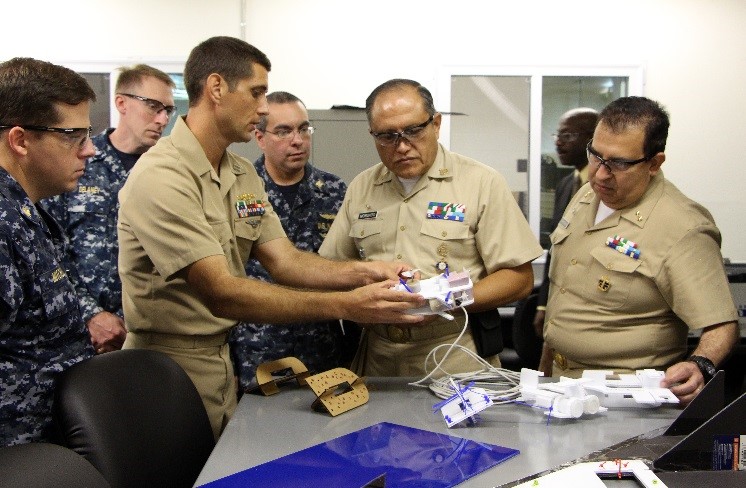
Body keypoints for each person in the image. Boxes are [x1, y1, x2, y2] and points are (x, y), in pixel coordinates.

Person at [117, 37, 424, 439]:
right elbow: (221, 292)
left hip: (220, 359)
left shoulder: (240, 173)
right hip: (169, 366)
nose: (263, 107)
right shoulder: (162, 175)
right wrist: (348, 305)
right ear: (216, 88)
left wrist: (369, 273)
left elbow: (286, 261)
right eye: (256, 92)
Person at [319, 79, 543, 377]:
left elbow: (518, 279)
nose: (402, 146)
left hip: (454, 355)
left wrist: (442, 300)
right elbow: (332, 268)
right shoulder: (363, 186)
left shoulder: (480, 183)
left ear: (436, 124)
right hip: (378, 359)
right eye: (387, 136)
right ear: (372, 135)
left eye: (413, 131)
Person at [539, 96, 739, 405]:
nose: (600, 174)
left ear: (654, 163)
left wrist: (701, 364)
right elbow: (566, 295)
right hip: (560, 385)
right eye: (596, 155)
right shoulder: (587, 195)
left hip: (625, 399)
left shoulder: (683, 227)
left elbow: (721, 323)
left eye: (618, 163)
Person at [44, 64, 176, 355]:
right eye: (154, 106)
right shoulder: (80, 161)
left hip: (158, 333)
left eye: (168, 110)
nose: (163, 118)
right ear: (121, 103)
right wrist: (90, 313)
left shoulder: (171, 170)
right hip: (86, 334)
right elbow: (49, 249)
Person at [0, 57, 96, 446]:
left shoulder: (24, 210)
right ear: (21, 140)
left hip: (47, 444)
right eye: (74, 136)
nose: (89, 150)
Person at [229, 91, 349, 390]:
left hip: (322, 349)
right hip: (257, 350)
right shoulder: (237, 189)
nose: (297, 140)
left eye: (303, 129)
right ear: (259, 137)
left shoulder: (334, 190)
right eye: (283, 131)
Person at [531, 109, 599, 348]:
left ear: (594, 138)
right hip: (559, 306)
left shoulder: (605, 188)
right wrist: (543, 304)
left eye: (568, 135)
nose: (559, 142)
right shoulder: (565, 185)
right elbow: (556, 249)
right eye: (557, 135)